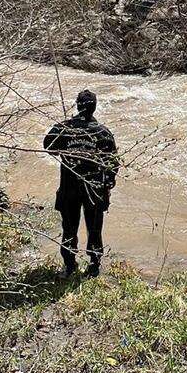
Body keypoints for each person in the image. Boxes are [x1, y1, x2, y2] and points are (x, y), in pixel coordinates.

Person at [44, 90, 119, 277]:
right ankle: (94, 267)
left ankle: (69, 266)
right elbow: (113, 163)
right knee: (94, 231)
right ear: (94, 107)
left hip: (69, 189)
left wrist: (64, 130)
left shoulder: (65, 129)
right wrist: (108, 185)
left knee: (69, 229)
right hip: (94, 190)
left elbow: (48, 146)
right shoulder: (102, 132)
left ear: (77, 106)